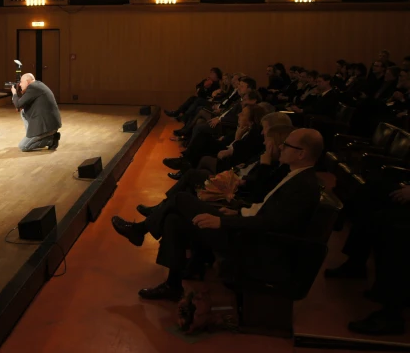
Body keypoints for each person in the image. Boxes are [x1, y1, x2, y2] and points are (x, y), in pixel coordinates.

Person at [123, 128, 323, 301]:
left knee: (181, 199)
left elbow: (272, 224)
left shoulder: (303, 186)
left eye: (287, 145)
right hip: (247, 228)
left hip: (255, 244)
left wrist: (223, 222)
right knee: (174, 219)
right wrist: (238, 211)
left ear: (301, 154)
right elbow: (267, 211)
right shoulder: (296, 176)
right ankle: (172, 286)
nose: (281, 148)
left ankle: (142, 229)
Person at [11, 73, 62, 151]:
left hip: (47, 126)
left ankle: (51, 140)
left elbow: (18, 104)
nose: (20, 84)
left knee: (23, 146)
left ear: (27, 81)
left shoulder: (33, 88)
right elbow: (22, 104)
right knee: (23, 112)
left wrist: (14, 93)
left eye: (21, 82)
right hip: (50, 124)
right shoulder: (37, 85)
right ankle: (34, 137)